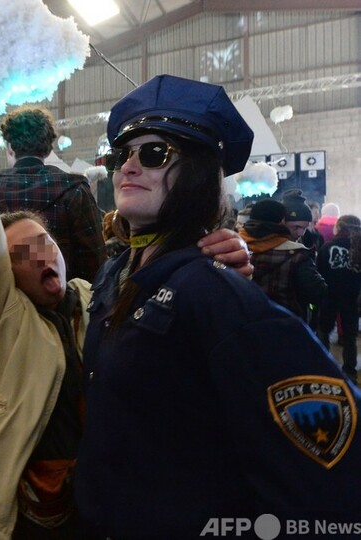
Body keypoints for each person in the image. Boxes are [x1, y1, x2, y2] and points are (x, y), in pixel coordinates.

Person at [0, 84, 252, 539]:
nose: (128, 166)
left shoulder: (99, 292)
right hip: (14, 501)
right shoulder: (1, 316)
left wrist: (216, 260)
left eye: (45, 244)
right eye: (19, 255)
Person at [75, 74, 361, 538]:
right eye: (121, 154)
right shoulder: (113, 274)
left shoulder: (218, 295)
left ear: (198, 175)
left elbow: (331, 475)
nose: (127, 167)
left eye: (153, 153)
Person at [0, 106, 106, 282]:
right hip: (61, 296)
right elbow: (95, 265)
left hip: (0, 297)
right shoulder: (75, 189)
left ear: (10, 147)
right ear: (48, 149)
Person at [239, 199, 326, 320]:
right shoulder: (298, 254)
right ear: (282, 222)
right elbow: (318, 292)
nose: (301, 233)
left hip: (244, 321)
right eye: (296, 227)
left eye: (305, 228)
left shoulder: (234, 246)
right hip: (286, 322)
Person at [317, 215, 361, 382]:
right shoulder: (359, 248)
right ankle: (350, 371)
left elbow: (319, 272)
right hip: (352, 298)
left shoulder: (327, 247)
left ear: (339, 227)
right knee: (350, 336)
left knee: (323, 330)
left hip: (329, 296)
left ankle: (324, 368)